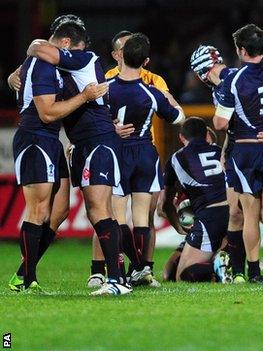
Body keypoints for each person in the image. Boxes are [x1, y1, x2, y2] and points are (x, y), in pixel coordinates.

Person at [27, 16, 130, 295]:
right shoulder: (64, 70)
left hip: (98, 141)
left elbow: (39, 49)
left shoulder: (85, 58)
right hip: (84, 143)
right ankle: (120, 276)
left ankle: (117, 280)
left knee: (100, 209)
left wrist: (34, 46)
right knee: (97, 210)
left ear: (66, 45)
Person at [7, 16, 106, 292]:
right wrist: (84, 97)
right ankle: (27, 279)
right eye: (72, 51)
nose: (72, 58)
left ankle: (22, 272)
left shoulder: (48, 64)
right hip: (35, 139)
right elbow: (47, 113)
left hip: (51, 141)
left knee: (59, 210)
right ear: (64, 43)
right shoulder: (42, 65)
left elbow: (19, 75)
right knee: (37, 210)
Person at [85, 30, 172, 288]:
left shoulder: (110, 84)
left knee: (116, 216)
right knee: (125, 216)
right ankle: (107, 269)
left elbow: (85, 115)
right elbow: (174, 112)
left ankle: (135, 270)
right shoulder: (145, 86)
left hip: (122, 154)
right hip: (139, 152)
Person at [212, 24, 263, 283]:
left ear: (242, 50)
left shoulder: (234, 79)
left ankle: (253, 271)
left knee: (249, 212)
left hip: (247, 147)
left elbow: (220, 124)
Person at [107, 33, 185, 286]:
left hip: (117, 154)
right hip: (144, 154)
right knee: (142, 218)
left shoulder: (104, 88)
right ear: (146, 61)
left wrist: (111, 127)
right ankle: (139, 269)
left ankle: (119, 274)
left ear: (121, 56)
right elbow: (177, 118)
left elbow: (90, 121)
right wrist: (170, 99)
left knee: (117, 218)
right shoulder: (151, 92)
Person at [190, 44, 248, 282]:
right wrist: (225, 150)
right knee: (236, 213)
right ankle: (240, 272)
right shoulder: (220, 88)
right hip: (237, 150)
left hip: (254, 150)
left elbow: (221, 123)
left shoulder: (232, 81)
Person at [160, 117, 230, 282]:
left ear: (181, 137)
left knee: (182, 275)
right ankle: (229, 261)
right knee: (170, 272)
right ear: (206, 134)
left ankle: (216, 265)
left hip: (209, 216)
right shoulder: (221, 151)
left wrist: (179, 228)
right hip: (233, 212)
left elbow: (165, 206)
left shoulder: (177, 159)